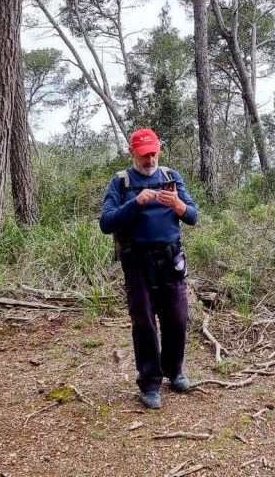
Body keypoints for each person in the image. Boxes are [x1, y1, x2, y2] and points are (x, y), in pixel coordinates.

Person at [99, 128, 198, 409]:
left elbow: (193, 216)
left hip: (170, 260)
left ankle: (174, 371)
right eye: (144, 155)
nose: (150, 159)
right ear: (132, 153)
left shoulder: (171, 177)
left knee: (177, 318)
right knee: (143, 323)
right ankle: (150, 382)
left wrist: (178, 205)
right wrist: (135, 202)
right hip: (137, 262)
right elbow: (106, 223)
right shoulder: (121, 182)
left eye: (154, 153)